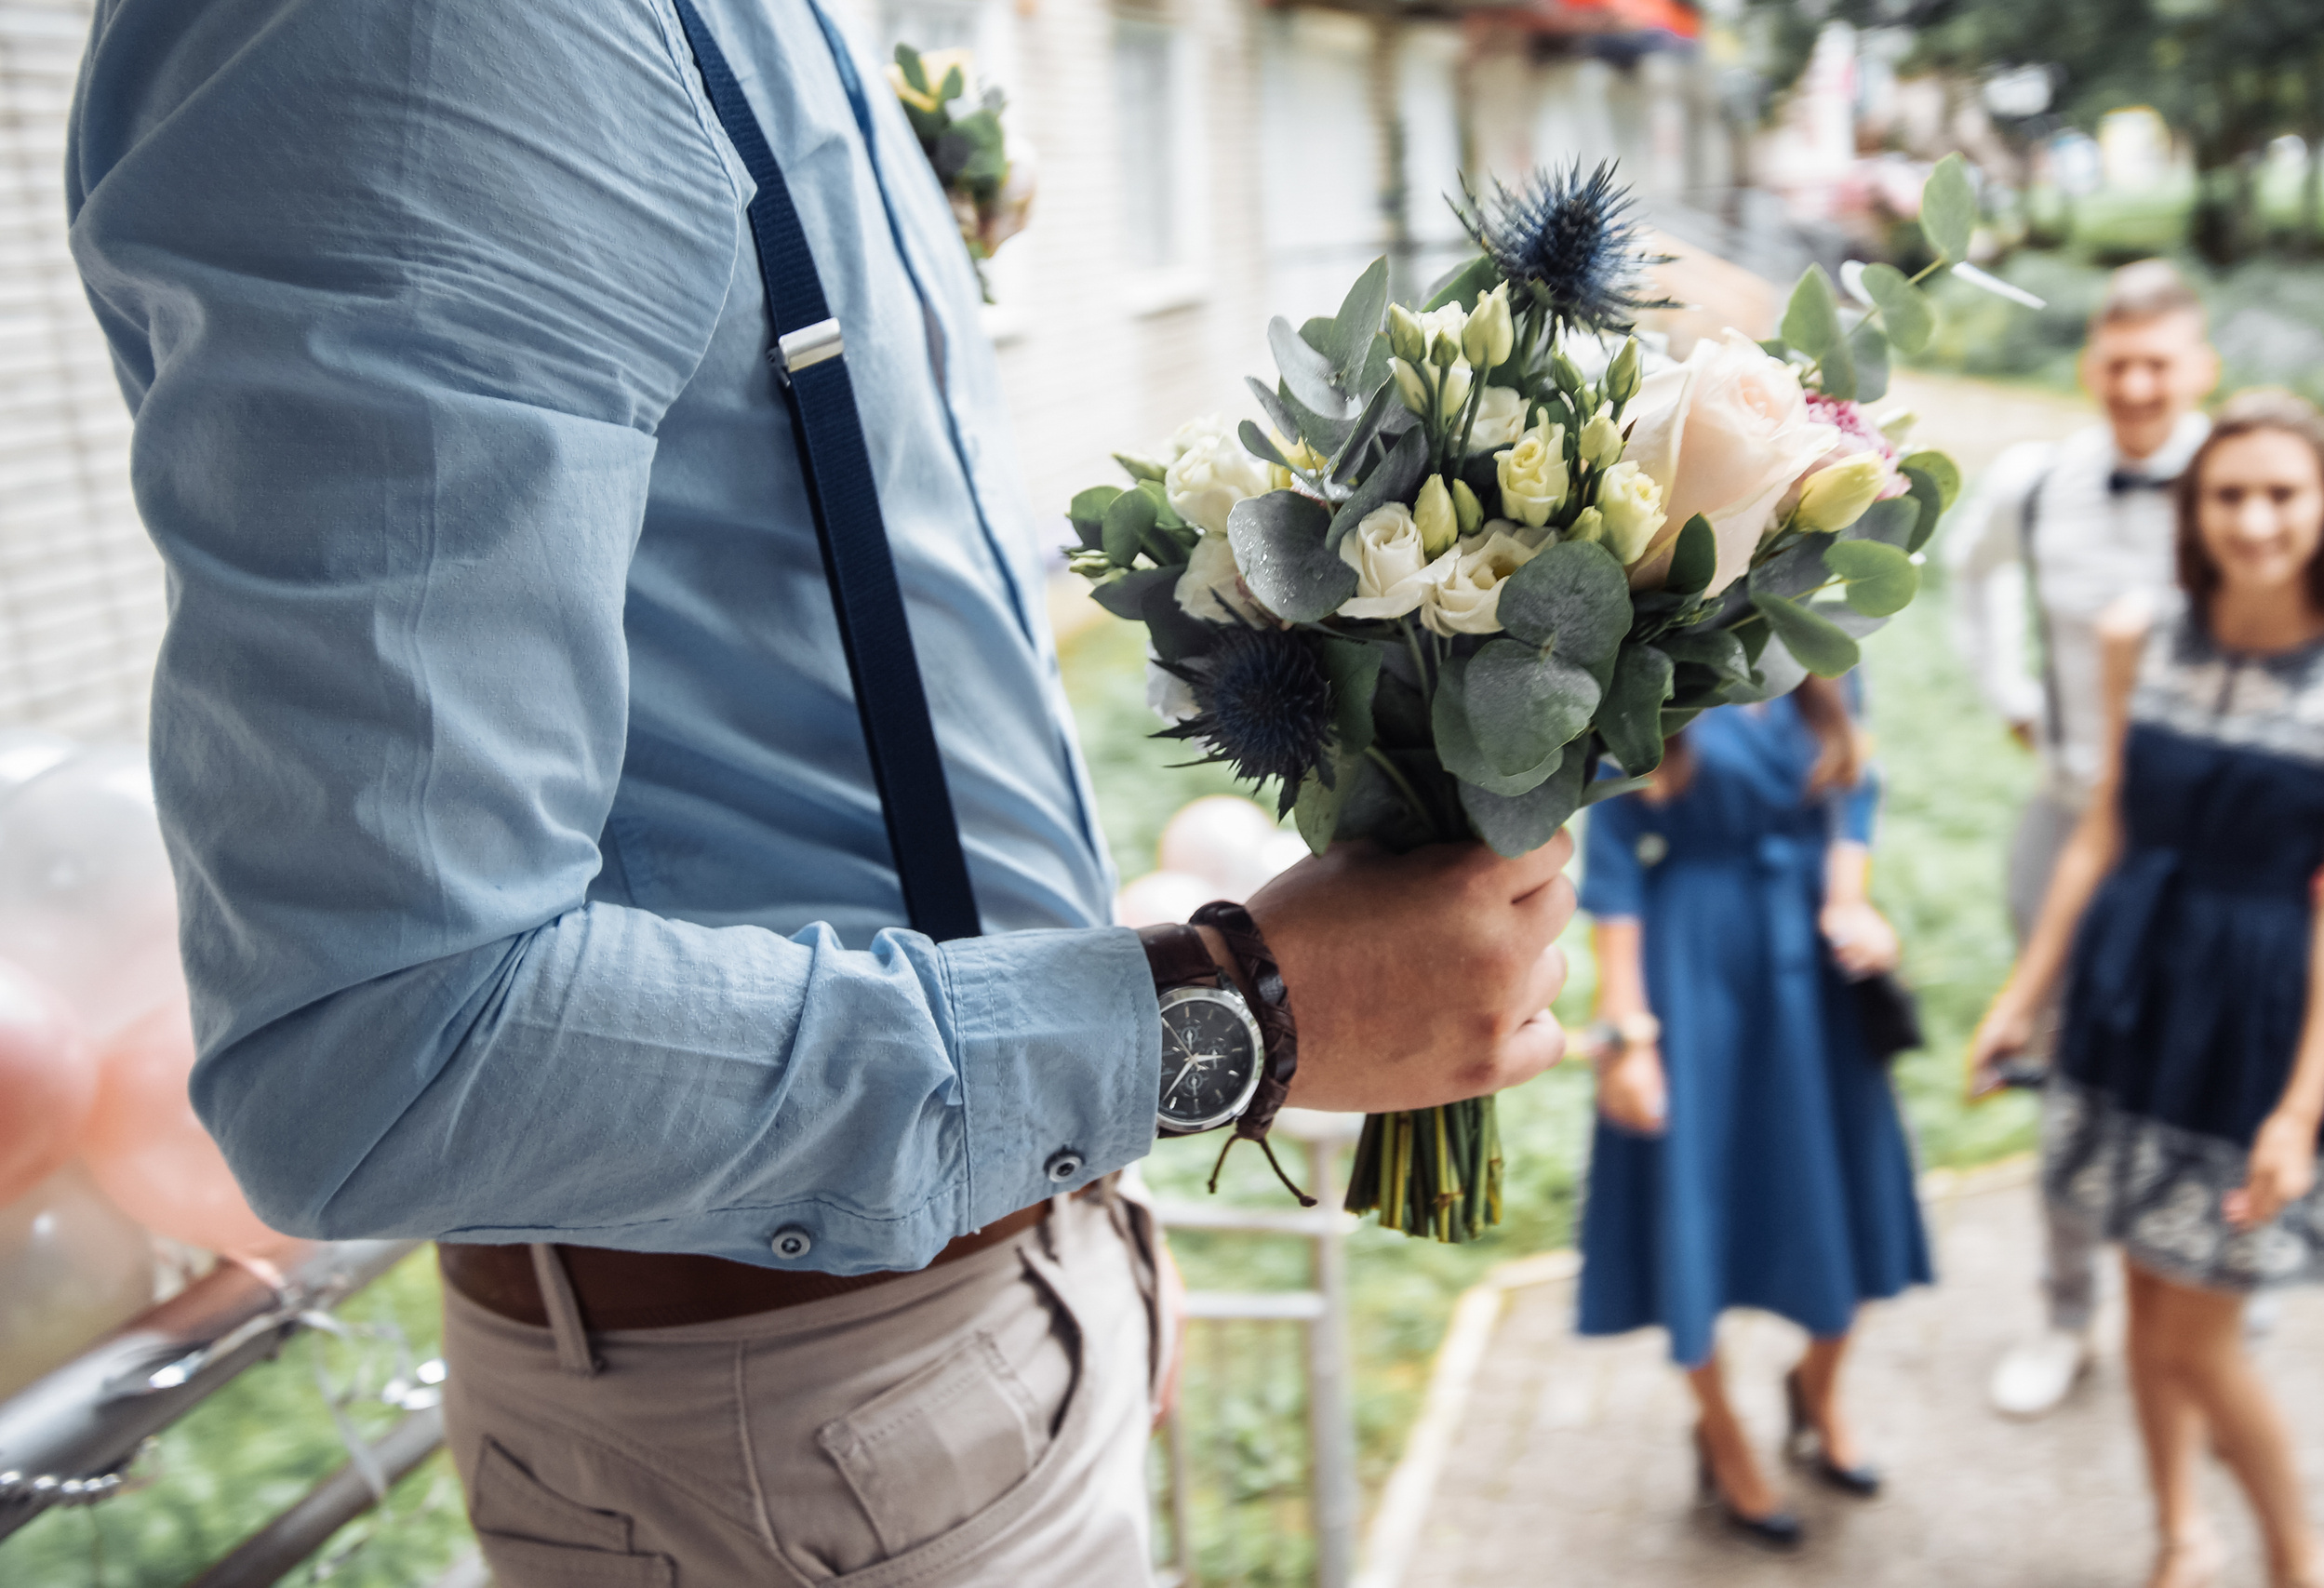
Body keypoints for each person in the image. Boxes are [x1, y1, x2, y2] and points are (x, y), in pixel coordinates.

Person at [64, 3, 1577, 1582]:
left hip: (941, 1333)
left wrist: (1065, 1250)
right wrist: (1224, 1026)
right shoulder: (442, 33)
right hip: (807, 1417)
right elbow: (384, 1049)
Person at [1971, 391, 2324, 1588]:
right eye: (2230, 495)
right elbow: (2102, 832)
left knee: (2199, 1339)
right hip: (2130, 993)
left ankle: (2300, 1554)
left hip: (2249, 1020)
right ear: (2194, 511)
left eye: (2281, 494)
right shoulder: (2136, 633)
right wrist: (2024, 993)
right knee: (2147, 1313)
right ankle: (2178, 1537)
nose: (2255, 520)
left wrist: (2300, 1106)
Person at [1946, 259, 2223, 1417]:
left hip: (2208, 842)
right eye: (2119, 363)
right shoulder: (2035, 483)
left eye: (2161, 362)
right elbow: (1962, 578)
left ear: (2199, 366)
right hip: (2063, 818)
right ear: (2089, 367)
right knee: (2063, 1077)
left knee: (2208, 1081)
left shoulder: (2244, 483)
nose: (2139, 384)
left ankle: (2213, 1325)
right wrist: (2010, 693)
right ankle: (2067, 1316)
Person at [1579, 676, 1931, 1552]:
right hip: (1697, 964)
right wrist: (1630, 1030)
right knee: (1691, 1196)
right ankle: (1722, 1431)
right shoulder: (1657, 656)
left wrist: (1850, 897)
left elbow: (1854, 789)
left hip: (1812, 964)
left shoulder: (1821, 634)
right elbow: (1615, 853)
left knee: (1847, 1198)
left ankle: (1817, 1389)